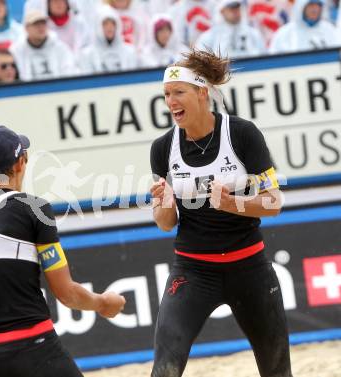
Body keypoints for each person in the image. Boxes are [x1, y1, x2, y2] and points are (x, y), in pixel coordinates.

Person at [0, 125, 126, 377]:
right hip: (34, 348)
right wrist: (104, 303)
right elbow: (66, 293)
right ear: (19, 163)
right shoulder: (34, 209)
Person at [149, 49, 292, 377]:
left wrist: (234, 204)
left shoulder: (241, 133)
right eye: (166, 94)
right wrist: (166, 202)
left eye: (178, 92)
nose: (171, 101)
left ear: (202, 93)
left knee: (277, 370)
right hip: (194, 272)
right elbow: (164, 223)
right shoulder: (163, 148)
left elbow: (274, 202)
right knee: (165, 368)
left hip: (250, 269)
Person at [10, 9, 78, 81]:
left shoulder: (61, 48)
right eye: (36, 24)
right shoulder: (16, 51)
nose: (41, 27)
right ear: (26, 28)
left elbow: (70, 72)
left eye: (43, 23)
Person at [79, 5, 139, 74]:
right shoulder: (87, 55)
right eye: (105, 24)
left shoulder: (129, 52)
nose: (110, 27)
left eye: (113, 23)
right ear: (98, 26)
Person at [196, 0, 266, 59]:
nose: (235, 11)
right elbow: (200, 63)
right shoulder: (208, 37)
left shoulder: (253, 34)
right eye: (231, 8)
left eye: (237, 8)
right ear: (222, 11)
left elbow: (264, 59)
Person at [269, 0, 341, 54]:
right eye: (311, 5)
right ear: (301, 7)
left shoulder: (330, 30)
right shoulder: (285, 33)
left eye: (318, 5)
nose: (315, 9)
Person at [24, 0, 91, 53]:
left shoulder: (79, 23)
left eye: (62, 1)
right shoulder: (43, 25)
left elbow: (87, 46)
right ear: (48, 5)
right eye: (55, 1)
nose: (59, 4)